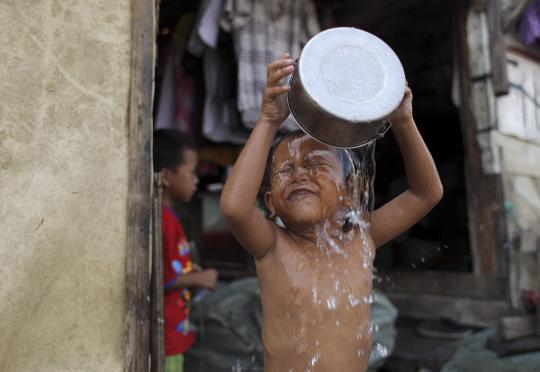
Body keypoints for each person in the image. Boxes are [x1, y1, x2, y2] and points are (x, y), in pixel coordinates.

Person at [220, 53, 443, 371]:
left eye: (315, 165)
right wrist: (268, 120)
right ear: (270, 202)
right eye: (286, 170)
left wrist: (403, 122)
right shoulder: (272, 246)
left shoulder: (363, 237)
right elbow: (233, 207)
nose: (299, 174)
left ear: (351, 191)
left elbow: (425, 193)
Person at [154, 129, 219, 372]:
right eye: (191, 172)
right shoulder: (164, 220)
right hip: (167, 337)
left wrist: (191, 274)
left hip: (173, 331)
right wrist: (200, 278)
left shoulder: (168, 216)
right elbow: (162, 279)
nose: (195, 180)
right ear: (167, 177)